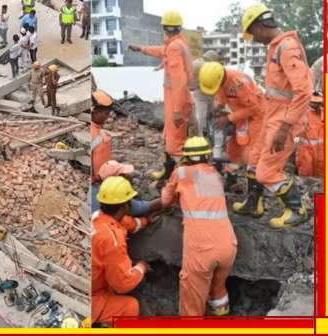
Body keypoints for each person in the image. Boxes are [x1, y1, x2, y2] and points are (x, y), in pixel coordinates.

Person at [238, 3, 313, 228]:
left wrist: (285, 128)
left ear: (261, 26)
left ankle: (296, 208)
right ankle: (254, 204)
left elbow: (304, 91)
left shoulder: (287, 48)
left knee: (266, 172)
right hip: (273, 116)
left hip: (284, 121)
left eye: (253, 34)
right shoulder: (275, 46)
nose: (255, 40)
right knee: (253, 160)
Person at [161, 137, 237, 316]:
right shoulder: (215, 175)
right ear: (208, 155)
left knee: (192, 304)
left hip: (201, 250)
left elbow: (166, 201)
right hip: (228, 245)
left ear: (186, 156)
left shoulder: (180, 173)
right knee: (218, 290)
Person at [129, 11, 194, 187]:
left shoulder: (174, 47)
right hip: (175, 100)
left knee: (176, 145)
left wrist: (178, 111)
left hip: (177, 101)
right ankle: (168, 171)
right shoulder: (177, 44)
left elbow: (180, 83)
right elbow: (160, 51)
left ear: (164, 28)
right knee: (168, 137)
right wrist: (141, 48)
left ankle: (180, 183)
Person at [198, 62, 265, 204]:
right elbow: (223, 96)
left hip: (256, 118)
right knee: (233, 150)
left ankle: (254, 199)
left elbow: (255, 108)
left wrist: (227, 118)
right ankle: (231, 180)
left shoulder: (239, 83)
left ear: (221, 78)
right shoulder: (220, 80)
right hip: (240, 116)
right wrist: (219, 107)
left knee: (251, 155)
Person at [91, 176, 150, 326]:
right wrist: (141, 267)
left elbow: (125, 223)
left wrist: (145, 221)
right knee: (131, 306)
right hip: (93, 296)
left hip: (94, 280)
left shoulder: (97, 217)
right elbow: (123, 283)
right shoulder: (112, 241)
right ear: (125, 206)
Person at [91, 90, 114, 211]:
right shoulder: (92, 133)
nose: (107, 116)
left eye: (108, 113)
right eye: (105, 113)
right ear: (94, 111)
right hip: (95, 184)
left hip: (103, 180)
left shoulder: (99, 131)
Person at [296, 94, 324, 177]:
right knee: (305, 171)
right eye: (313, 102)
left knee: (320, 175)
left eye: (317, 102)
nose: (314, 104)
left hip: (321, 151)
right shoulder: (303, 113)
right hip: (306, 150)